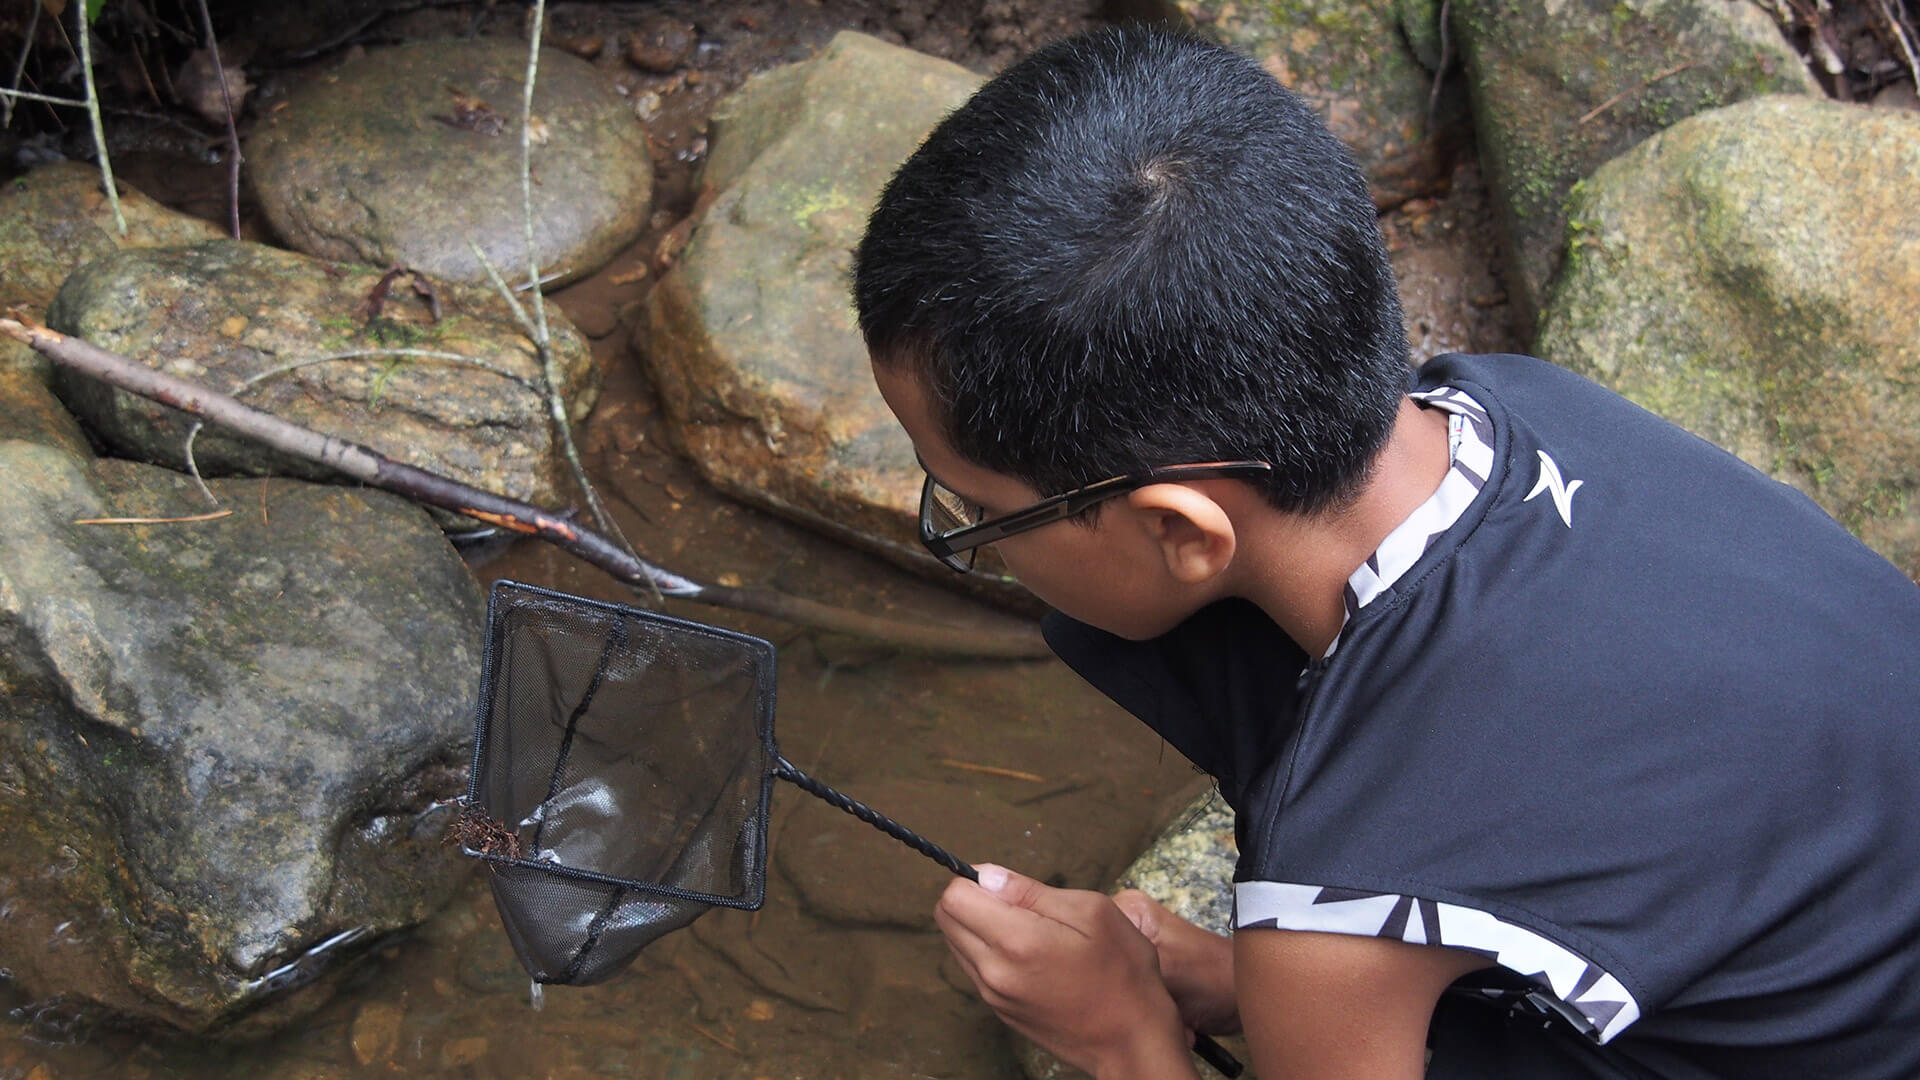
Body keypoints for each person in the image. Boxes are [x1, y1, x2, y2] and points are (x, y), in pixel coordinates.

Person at [850, 22, 1920, 1080]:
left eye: (977, 508)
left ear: (1179, 530)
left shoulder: (1346, 884)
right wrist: (1240, 980)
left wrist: (1122, 1037)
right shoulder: (1524, 403)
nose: (961, 523)